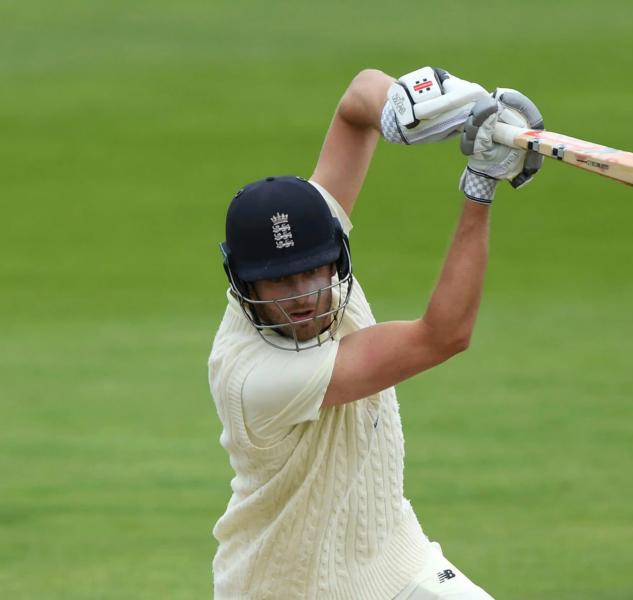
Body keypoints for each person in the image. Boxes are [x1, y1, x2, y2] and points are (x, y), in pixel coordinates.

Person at [207, 67, 544, 599]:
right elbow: (443, 335)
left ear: (335, 252)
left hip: (396, 560)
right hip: (290, 587)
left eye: (313, 271)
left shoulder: (319, 230)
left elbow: (352, 106)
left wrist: (403, 106)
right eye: (278, 283)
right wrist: (479, 189)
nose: (303, 296)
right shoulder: (252, 378)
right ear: (244, 285)